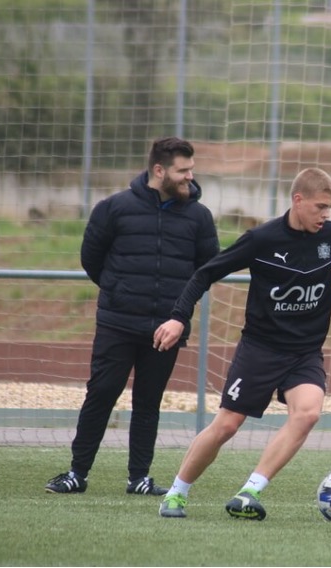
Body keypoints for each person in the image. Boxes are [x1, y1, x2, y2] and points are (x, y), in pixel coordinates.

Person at [152, 167, 331, 520]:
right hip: (261, 348)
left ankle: (250, 492)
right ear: (298, 200)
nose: (326, 215)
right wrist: (177, 315)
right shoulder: (262, 240)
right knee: (228, 425)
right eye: (320, 206)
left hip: (305, 351)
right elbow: (206, 273)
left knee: (308, 413)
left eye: (329, 208)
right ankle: (176, 493)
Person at [45, 137, 220, 495]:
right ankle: (77, 473)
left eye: (192, 169)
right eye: (183, 170)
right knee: (101, 394)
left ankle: (138, 478)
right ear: (159, 170)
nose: (191, 176)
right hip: (117, 323)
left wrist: (180, 314)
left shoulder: (199, 217)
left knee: (148, 402)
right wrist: (119, 292)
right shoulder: (114, 208)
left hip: (167, 328)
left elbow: (207, 269)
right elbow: (91, 259)